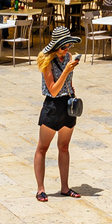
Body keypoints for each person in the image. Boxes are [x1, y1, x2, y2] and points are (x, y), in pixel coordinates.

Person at [34, 26, 82, 202]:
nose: (67, 49)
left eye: (68, 45)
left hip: (67, 105)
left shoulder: (68, 57)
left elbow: (67, 83)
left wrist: (70, 84)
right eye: (63, 47)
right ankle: (40, 189)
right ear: (55, 46)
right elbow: (53, 90)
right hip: (53, 105)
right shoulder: (46, 61)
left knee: (64, 147)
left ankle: (65, 187)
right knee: (42, 147)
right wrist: (67, 71)